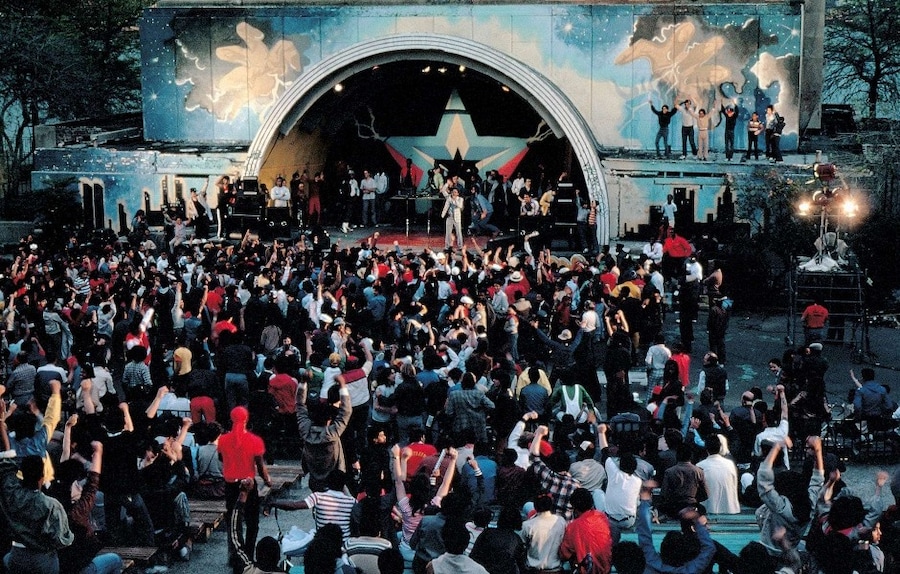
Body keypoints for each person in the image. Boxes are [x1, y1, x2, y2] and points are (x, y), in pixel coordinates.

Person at [0, 400, 74, 574]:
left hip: (16, 555)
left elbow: (5, 464)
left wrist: (3, 421)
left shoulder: (10, 495)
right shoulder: (51, 505)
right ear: (42, 477)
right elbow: (64, 539)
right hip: (42, 558)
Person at [219, 406, 273, 568]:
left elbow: (222, 458)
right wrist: (267, 479)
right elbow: (260, 465)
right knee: (252, 522)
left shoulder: (223, 439)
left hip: (230, 485)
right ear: (246, 420)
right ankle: (248, 555)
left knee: (233, 522)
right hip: (249, 485)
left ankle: (234, 555)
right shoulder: (255, 440)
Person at [636, 480, 715, 573]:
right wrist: (697, 520)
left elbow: (644, 534)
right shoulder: (692, 569)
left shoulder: (651, 561)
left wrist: (645, 499)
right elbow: (709, 548)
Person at [230, 478, 284, 574]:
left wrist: (243, 494)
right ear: (278, 558)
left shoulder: (248, 570)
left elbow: (235, 533)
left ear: (257, 556)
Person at [559, 488, 614, 574]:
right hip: (606, 568)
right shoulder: (602, 517)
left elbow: (564, 554)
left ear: (575, 508)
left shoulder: (573, 526)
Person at [695, 434, 740, 514]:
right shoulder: (730, 464)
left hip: (708, 509)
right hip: (730, 509)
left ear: (706, 449)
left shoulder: (699, 466)